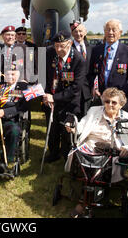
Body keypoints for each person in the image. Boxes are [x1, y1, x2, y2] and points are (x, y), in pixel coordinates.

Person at [65, 87, 128, 217]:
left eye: (114, 102)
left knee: (101, 165)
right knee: (82, 156)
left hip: (114, 150)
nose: (110, 105)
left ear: (121, 104)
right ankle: (88, 200)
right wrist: (73, 128)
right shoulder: (94, 111)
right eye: (107, 101)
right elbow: (81, 125)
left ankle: (83, 204)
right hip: (91, 146)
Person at [42, 30, 86, 163]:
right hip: (51, 100)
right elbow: (43, 77)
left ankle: (67, 156)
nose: (59, 49)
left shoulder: (79, 60)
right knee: (53, 130)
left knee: (67, 132)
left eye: (62, 46)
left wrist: (54, 98)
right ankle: (53, 153)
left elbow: (75, 88)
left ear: (70, 43)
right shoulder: (49, 53)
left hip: (69, 103)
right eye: (56, 46)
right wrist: (45, 94)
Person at [0, 60, 28, 179]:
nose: (10, 77)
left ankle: (5, 162)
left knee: (14, 132)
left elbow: (23, 106)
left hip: (11, 119)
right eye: (8, 74)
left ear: (18, 74)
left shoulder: (23, 87)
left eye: (13, 74)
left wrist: (4, 112)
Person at [87, 19, 128, 112]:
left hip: (120, 101)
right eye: (108, 29)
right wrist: (94, 87)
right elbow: (91, 73)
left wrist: (121, 94)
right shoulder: (96, 50)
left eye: (114, 29)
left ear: (120, 32)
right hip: (102, 98)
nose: (110, 32)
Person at [70, 20, 92, 119]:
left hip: (87, 90)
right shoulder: (68, 48)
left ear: (85, 32)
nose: (78, 34)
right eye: (75, 32)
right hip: (73, 90)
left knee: (86, 117)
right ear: (72, 33)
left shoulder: (92, 48)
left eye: (80, 31)